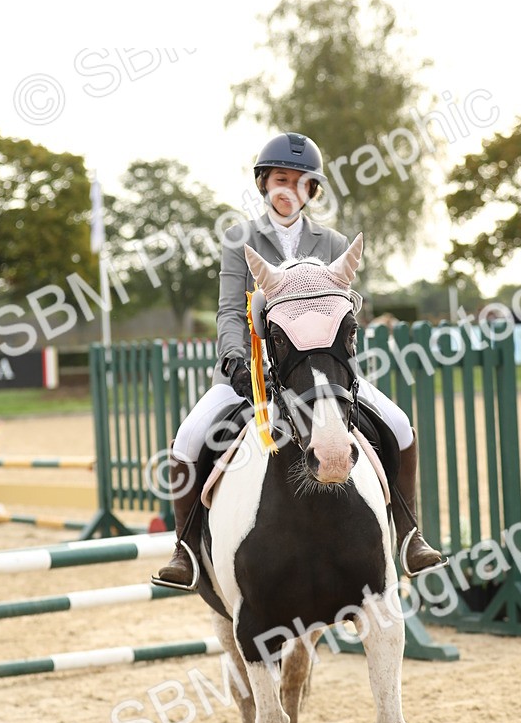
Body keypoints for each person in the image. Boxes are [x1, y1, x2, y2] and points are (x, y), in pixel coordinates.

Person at [152, 131, 442, 590]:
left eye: (300, 181)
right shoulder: (239, 239)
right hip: (252, 375)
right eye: (280, 179)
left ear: (312, 190)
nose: (289, 189)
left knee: (400, 425)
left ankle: (408, 533)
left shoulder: (334, 242)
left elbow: (346, 309)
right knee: (188, 438)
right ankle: (186, 547)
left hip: (321, 375)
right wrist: (235, 362)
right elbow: (230, 310)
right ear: (264, 183)